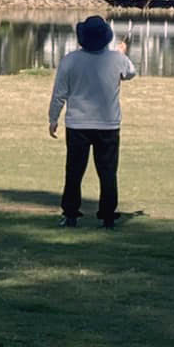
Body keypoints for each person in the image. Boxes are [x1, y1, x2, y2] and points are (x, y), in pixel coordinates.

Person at [48, 15, 136, 229]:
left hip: (77, 124)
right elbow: (130, 73)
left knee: (74, 171)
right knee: (107, 172)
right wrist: (122, 54)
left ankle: (70, 213)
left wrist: (53, 118)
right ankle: (107, 215)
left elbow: (59, 93)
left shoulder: (70, 60)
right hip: (108, 124)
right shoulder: (117, 59)